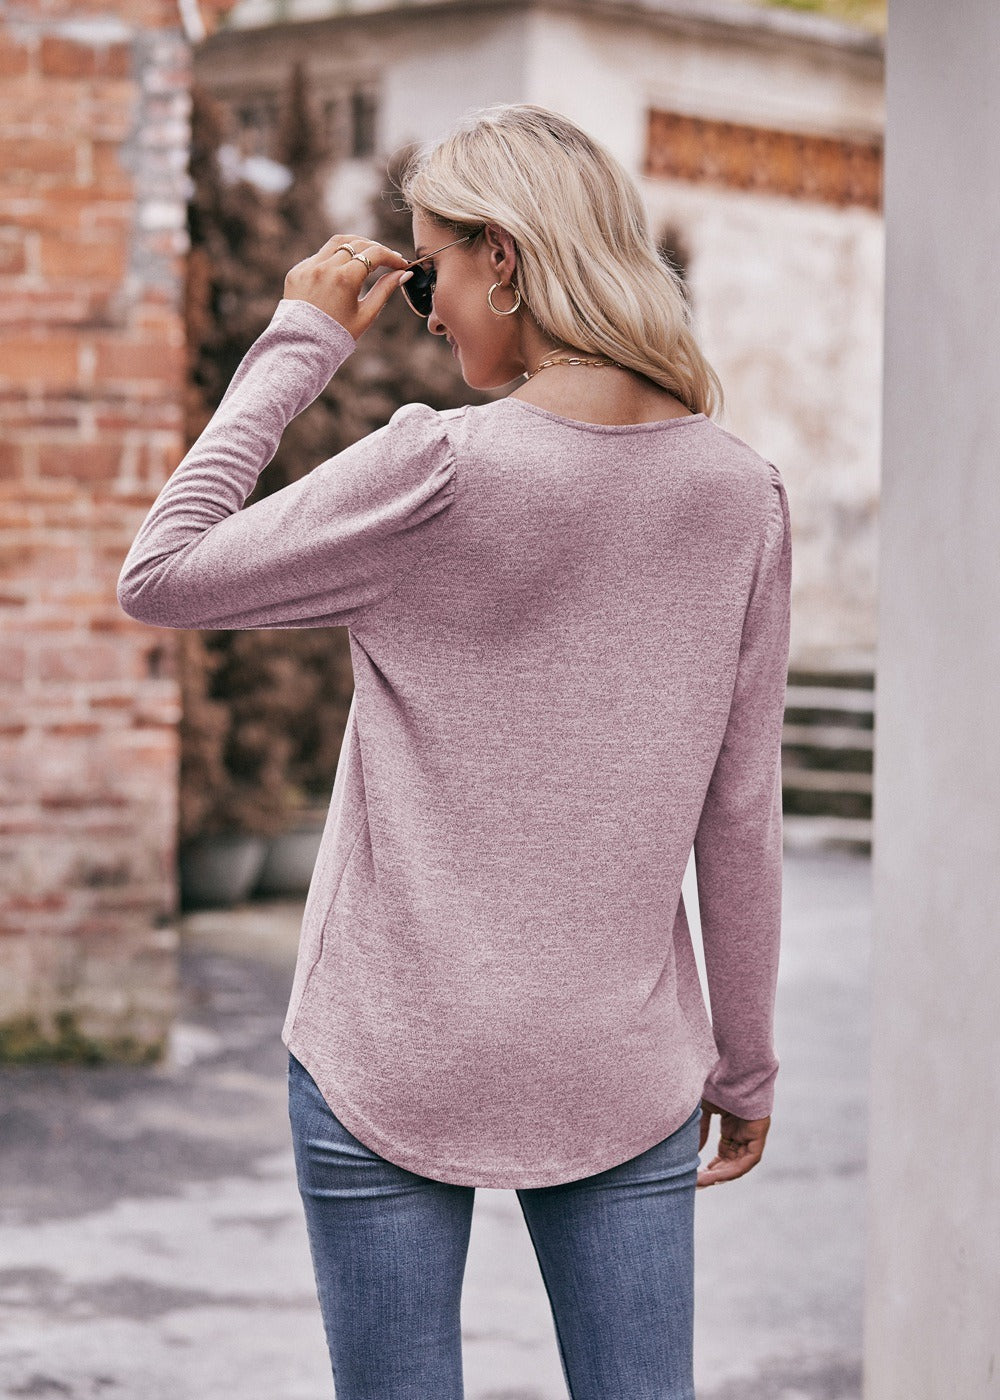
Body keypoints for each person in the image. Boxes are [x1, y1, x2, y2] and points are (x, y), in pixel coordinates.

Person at [118, 102, 791, 1400]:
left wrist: (300, 336)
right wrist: (746, 1062)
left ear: (506, 259)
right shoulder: (736, 492)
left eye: (431, 271)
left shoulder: (430, 468)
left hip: (387, 1041)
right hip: (622, 1061)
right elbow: (740, 818)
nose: (425, 309)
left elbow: (163, 573)